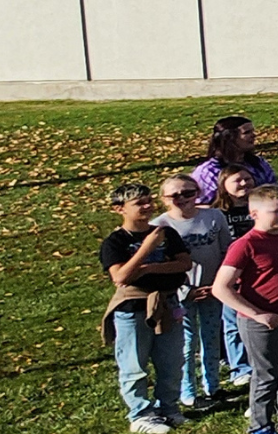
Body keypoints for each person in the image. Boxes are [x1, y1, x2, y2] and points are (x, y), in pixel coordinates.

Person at [214, 183, 278, 434]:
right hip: (260, 319)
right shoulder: (246, 244)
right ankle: (260, 424)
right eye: (277, 211)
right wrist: (257, 314)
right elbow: (221, 288)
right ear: (255, 213)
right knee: (267, 374)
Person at [101, 183, 191, 434]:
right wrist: (147, 250)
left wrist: (150, 268)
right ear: (119, 209)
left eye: (149, 201)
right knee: (134, 364)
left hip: (167, 303)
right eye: (139, 203)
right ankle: (140, 414)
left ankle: (169, 408)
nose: (148, 206)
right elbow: (121, 277)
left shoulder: (166, 233)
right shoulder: (115, 242)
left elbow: (183, 264)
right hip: (132, 308)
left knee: (172, 361)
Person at [148, 175, 235, 410]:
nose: (183, 198)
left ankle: (213, 386)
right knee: (187, 342)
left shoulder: (214, 216)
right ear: (164, 199)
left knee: (212, 338)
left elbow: (227, 250)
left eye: (188, 192)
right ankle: (188, 392)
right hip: (180, 294)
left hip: (213, 288)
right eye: (175, 195)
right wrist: (186, 290)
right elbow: (162, 263)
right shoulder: (159, 225)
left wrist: (218, 284)